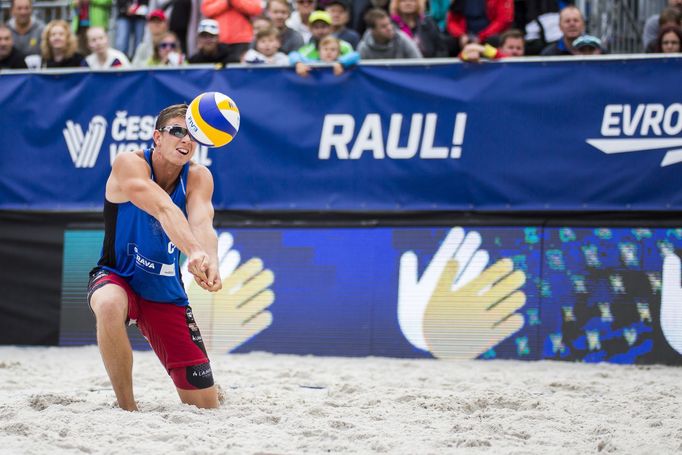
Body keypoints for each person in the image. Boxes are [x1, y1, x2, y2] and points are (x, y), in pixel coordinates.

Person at [87, 103, 221, 411]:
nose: (186, 140)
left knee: (205, 404)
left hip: (164, 291)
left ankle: (207, 387)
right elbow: (163, 209)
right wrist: (195, 252)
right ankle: (126, 407)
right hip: (117, 274)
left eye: (193, 135)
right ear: (156, 137)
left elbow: (202, 222)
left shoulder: (199, 177)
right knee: (108, 304)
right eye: (177, 131)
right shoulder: (128, 163)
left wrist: (210, 260)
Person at [445, 0, 514, 54]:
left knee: (495, 41)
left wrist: (481, 37)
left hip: (489, 37)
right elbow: (451, 21)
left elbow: (503, 21)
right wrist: (461, 35)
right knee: (447, 43)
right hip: (465, 37)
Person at [357, 8, 422, 59]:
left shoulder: (402, 39)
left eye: (389, 23)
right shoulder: (364, 48)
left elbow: (419, 63)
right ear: (373, 30)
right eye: (383, 26)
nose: (389, 28)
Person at [289, 11, 355, 60]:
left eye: (323, 27)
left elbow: (354, 57)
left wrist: (341, 63)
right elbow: (293, 56)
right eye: (316, 27)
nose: (320, 31)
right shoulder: (307, 50)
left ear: (331, 28)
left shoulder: (345, 46)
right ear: (310, 29)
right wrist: (298, 63)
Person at [291, 34, 359, 76]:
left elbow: (356, 55)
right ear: (318, 52)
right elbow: (293, 54)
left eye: (333, 49)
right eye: (325, 49)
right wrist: (298, 63)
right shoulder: (313, 62)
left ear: (338, 53)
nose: (329, 52)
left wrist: (341, 63)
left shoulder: (341, 61)